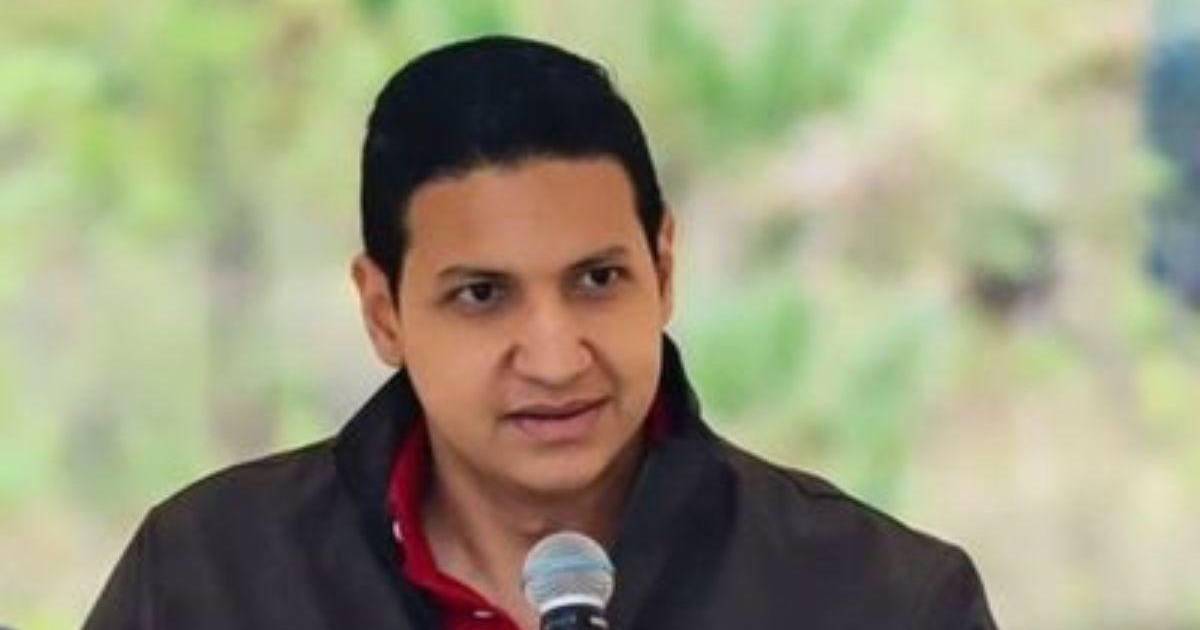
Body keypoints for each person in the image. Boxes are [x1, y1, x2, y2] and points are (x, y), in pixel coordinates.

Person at [84, 35, 997, 629]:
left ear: (664, 269)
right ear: (383, 312)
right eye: (483, 295)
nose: (557, 360)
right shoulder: (211, 578)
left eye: (597, 281)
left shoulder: (876, 599)